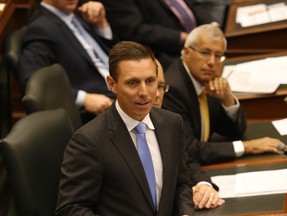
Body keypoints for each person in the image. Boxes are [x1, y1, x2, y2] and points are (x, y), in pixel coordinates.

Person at [56, 41, 195, 215]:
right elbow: (71, 209)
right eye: (132, 83)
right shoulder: (88, 141)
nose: (144, 92)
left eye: (150, 81)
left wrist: (186, 213)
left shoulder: (172, 123)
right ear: (112, 84)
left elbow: (181, 183)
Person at [162, 23, 286, 165]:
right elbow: (189, 151)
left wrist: (227, 100)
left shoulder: (206, 79)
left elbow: (235, 132)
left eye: (218, 55)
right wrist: (248, 147)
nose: (211, 62)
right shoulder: (172, 90)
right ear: (187, 53)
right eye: (205, 53)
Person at [19, 0, 117, 124]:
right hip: (103, 105)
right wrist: (84, 98)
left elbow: (104, 55)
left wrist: (101, 25)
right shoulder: (41, 27)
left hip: (120, 88)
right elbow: (32, 83)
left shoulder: (74, 15)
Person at [154, 60, 225, 209]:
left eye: (160, 86)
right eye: (148, 83)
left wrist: (203, 186)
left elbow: (186, 161)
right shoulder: (98, 137)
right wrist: (182, 199)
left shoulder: (165, 122)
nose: (155, 94)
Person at [99, 0, 201, 70]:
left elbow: (196, 8)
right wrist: (182, 37)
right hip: (161, 54)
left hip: (197, 42)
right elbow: (134, 30)